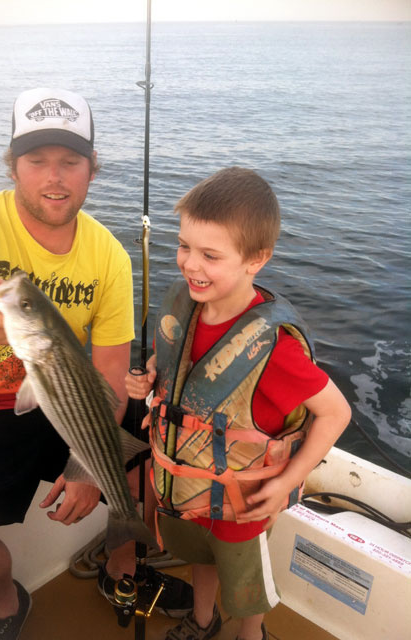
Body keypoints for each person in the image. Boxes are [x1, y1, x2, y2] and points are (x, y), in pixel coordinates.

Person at [0, 87, 192, 640]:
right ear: (13, 166)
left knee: (158, 434)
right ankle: (7, 604)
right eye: (37, 161)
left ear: (92, 169)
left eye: (70, 162)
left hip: (63, 393)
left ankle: (121, 565)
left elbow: (108, 374)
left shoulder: (108, 256)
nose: (55, 178)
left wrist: (87, 468)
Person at [125, 167, 352, 640]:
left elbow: (336, 412)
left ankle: (252, 634)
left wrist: (290, 479)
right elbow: (174, 364)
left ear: (256, 260)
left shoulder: (275, 349)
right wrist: (148, 375)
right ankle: (202, 621)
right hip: (184, 487)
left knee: (247, 587)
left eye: (210, 255)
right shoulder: (184, 308)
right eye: (185, 246)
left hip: (241, 501)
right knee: (200, 560)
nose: (190, 265)